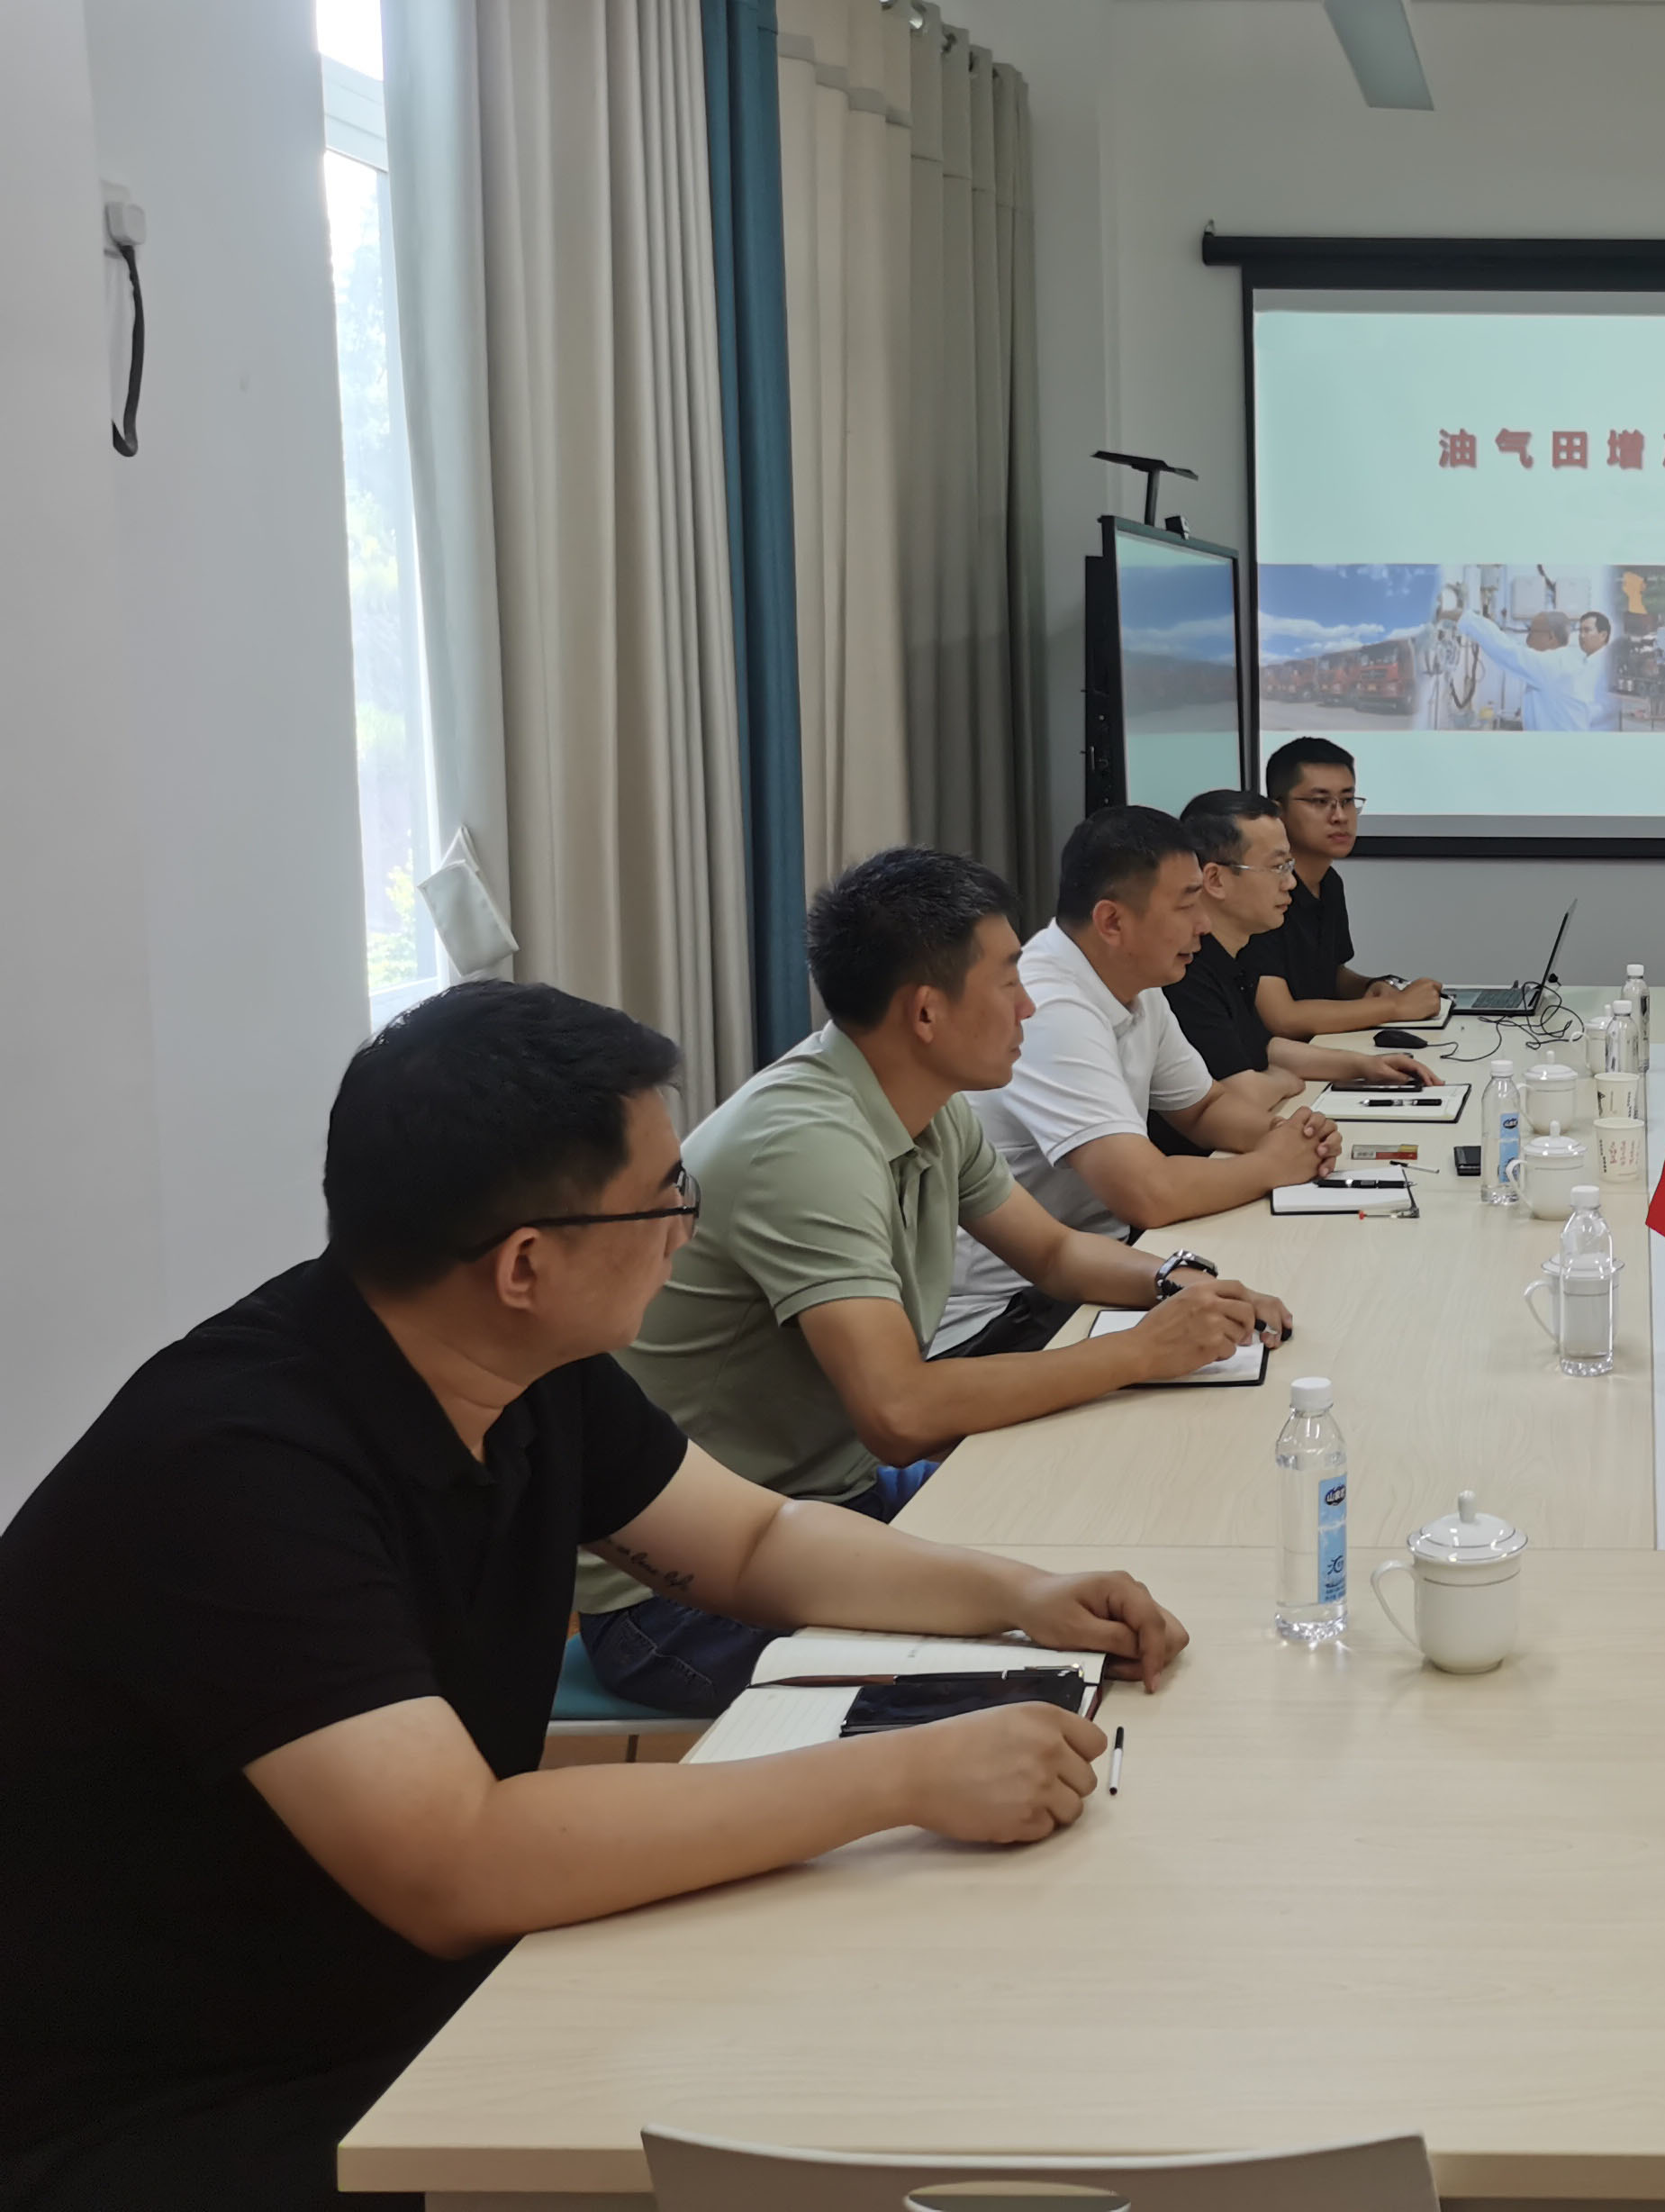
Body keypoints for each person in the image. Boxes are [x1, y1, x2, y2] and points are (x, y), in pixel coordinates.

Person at [0, 983, 1189, 2212]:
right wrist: (906, 1777)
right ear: (526, 1263)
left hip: (396, 2003)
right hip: (177, 2105)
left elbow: (755, 1541)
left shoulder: (519, 1363)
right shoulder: (237, 1467)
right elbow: (455, 1863)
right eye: (668, 1194)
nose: (687, 1225)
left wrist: (1024, 1594)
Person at [575, 847, 1288, 1715]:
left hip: (821, 1507)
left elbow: (1054, 1253)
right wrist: (1140, 1353)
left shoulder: (927, 1104)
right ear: (925, 1011)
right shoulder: (807, 1143)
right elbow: (900, 1414)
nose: (1028, 1006)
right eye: (1009, 980)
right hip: (680, 1594)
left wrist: (1180, 1284)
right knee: (1054, 1691)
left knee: (1117, 1524)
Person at [936, 807, 1345, 1354]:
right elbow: (1146, 1194)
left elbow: (1203, 1108)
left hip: (1099, 1266)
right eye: (1186, 904)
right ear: (1112, 922)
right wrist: (1274, 1165)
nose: (1203, 924)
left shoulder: (1138, 981)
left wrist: (1288, 1137)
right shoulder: (1049, 1006)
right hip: (1005, 1312)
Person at [1172, 787, 1443, 1101]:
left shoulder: (1232, 957)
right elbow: (1241, 1091)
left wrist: (1365, 1065)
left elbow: (1262, 1048)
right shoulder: (1184, 970)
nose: (1290, 883)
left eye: (1289, 866)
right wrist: (1288, 1082)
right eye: (1277, 868)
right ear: (1215, 880)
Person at [1252, 736, 1447, 1042]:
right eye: (1320, 802)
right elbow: (1283, 1018)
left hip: (1319, 1048)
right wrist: (1394, 1008)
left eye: (1347, 800)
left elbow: (1330, 974)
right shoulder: (1260, 891)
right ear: (1279, 811)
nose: (1340, 816)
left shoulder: (1329, 882)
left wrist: (1371, 987)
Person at [1457, 602, 1611, 732]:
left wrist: (1465, 618)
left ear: (1551, 637)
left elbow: (1506, 650)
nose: (1528, 639)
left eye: (1533, 632)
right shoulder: (1568, 661)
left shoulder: (1552, 665)